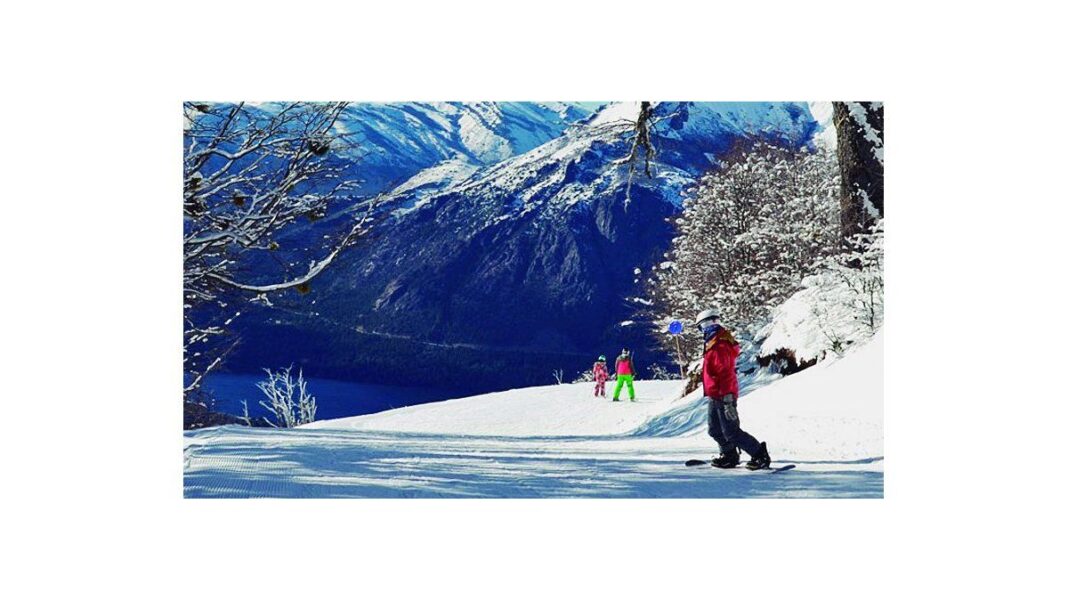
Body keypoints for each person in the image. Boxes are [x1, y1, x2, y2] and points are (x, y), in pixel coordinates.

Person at [695, 307, 771, 470]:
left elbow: (725, 373)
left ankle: (759, 454)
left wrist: (728, 398)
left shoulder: (720, 344)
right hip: (715, 394)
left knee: (731, 431)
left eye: (701, 327)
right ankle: (729, 455)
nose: (701, 331)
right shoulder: (712, 342)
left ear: (708, 324)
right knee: (714, 430)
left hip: (724, 394)